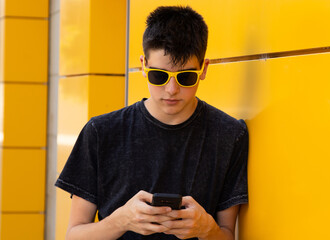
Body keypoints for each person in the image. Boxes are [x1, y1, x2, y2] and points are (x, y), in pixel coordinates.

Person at [55, 5, 248, 240]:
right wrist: (122, 219)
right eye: (160, 75)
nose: (171, 90)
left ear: (203, 69)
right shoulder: (101, 132)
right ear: (143, 66)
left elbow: (227, 235)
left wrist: (206, 228)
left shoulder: (230, 135)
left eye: (186, 77)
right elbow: (73, 235)